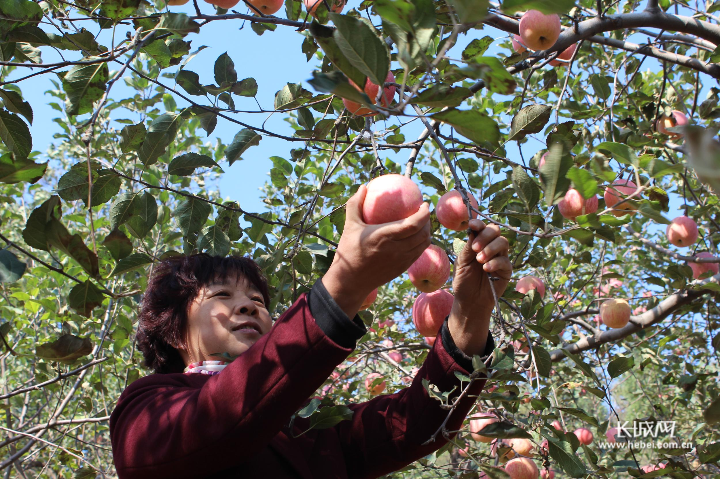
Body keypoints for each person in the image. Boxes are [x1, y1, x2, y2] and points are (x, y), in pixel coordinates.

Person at [109, 185, 512, 478]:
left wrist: (470, 315)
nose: (248, 305)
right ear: (174, 331)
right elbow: (216, 423)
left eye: (259, 300)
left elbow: (415, 423)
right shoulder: (146, 406)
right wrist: (343, 286)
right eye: (221, 294)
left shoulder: (312, 426)